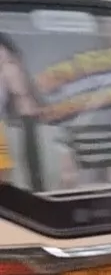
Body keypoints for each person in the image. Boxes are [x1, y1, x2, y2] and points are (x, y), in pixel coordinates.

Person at [0, 34, 78, 192]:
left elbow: (71, 175)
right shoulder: (3, 129)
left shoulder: (54, 117)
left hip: (59, 200)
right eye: (0, 68)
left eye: (9, 63)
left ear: (19, 63)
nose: (7, 73)